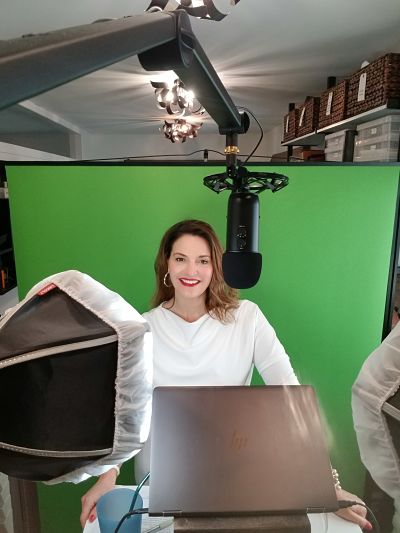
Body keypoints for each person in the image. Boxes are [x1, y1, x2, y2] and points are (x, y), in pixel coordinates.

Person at [81, 219, 370, 529]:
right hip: (162, 484)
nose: (191, 271)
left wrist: (329, 483)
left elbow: (292, 398)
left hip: (235, 478)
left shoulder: (248, 318)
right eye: (181, 259)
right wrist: (107, 477)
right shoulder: (142, 328)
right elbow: (127, 415)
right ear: (166, 263)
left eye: (202, 261)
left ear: (215, 266)